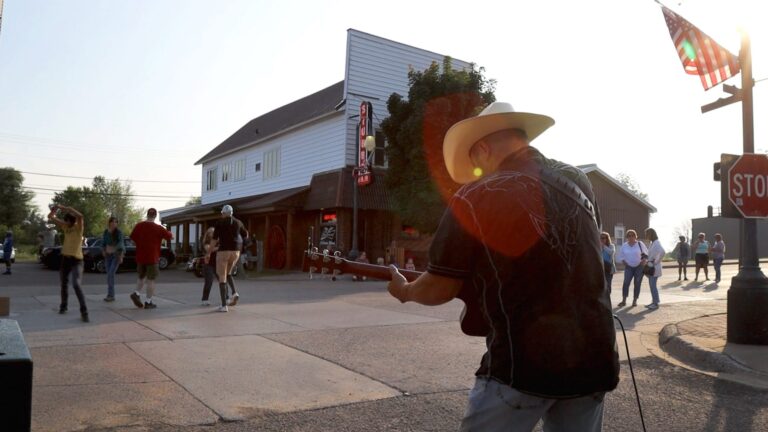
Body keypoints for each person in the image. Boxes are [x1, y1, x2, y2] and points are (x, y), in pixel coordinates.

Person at [387, 102, 619, 432]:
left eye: (475, 163)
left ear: (482, 148)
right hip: (595, 360)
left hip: (525, 365)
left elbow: (439, 287)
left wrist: (406, 290)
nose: (478, 172)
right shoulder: (578, 182)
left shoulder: (476, 196)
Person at [47, 205, 89, 322]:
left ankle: (84, 311)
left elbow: (80, 216)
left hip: (77, 260)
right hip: (65, 259)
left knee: (76, 284)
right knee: (64, 284)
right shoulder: (65, 226)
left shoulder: (78, 227)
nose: (66, 224)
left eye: (68, 222)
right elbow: (50, 217)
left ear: (72, 221)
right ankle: (63, 306)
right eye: (65, 222)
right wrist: (54, 210)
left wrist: (66, 208)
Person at [129, 208, 173, 309]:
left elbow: (132, 240)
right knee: (151, 280)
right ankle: (148, 302)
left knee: (141, 276)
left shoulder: (139, 226)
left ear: (147, 215)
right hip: (152, 257)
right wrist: (171, 235)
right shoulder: (158, 228)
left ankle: (136, 293)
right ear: (155, 216)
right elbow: (169, 236)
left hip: (140, 257)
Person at [212, 205, 248, 312]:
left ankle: (224, 305)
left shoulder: (220, 223)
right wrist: (241, 245)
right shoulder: (238, 222)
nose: (221, 215)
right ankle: (234, 292)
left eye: (222, 213)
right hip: (236, 252)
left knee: (222, 276)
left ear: (223, 213)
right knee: (228, 273)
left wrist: (208, 252)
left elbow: (214, 240)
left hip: (223, 251)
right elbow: (246, 234)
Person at [615, 229, 647, 307]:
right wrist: (624, 262)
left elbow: (646, 253)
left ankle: (634, 300)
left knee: (637, 283)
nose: (631, 237)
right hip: (628, 267)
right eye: (629, 235)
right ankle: (624, 300)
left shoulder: (640, 244)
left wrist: (644, 260)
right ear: (627, 237)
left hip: (639, 266)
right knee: (626, 283)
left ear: (635, 236)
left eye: (632, 235)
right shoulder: (624, 245)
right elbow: (621, 255)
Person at [102, 216, 126, 302]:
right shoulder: (106, 232)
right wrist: (103, 250)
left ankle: (111, 295)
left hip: (116, 256)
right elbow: (103, 243)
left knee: (111, 274)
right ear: (109, 223)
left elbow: (121, 243)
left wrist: (121, 256)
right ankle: (110, 294)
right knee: (109, 275)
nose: (114, 224)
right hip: (108, 256)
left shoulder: (119, 232)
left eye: (116, 222)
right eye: (112, 222)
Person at [644, 228, 665, 310]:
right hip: (651, 266)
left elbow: (663, 252)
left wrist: (655, 262)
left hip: (654, 268)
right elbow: (653, 254)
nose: (646, 236)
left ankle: (655, 303)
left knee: (653, 286)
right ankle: (654, 302)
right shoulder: (653, 243)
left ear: (651, 234)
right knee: (652, 285)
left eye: (647, 234)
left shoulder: (656, 243)